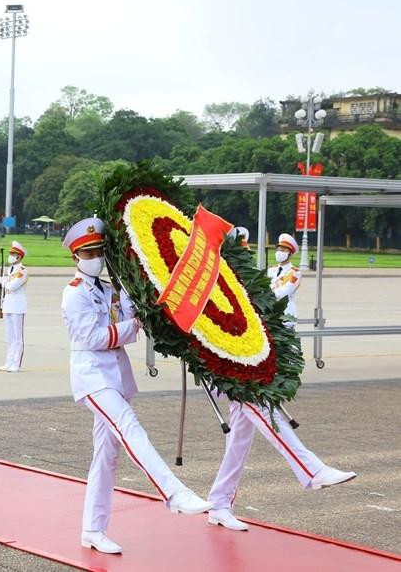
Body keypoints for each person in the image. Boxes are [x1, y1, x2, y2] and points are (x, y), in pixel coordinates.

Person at [61, 217, 210, 555]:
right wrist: (132, 326)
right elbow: (93, 337)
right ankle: (173, 492)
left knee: (106, 457)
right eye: (89, 252)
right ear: (76, 257)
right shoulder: (73, 295)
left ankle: (92, 530)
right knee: (130, 427)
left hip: (114, 376)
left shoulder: (111, 288)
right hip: (93, 377)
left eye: (99, 250)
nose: (96, 256)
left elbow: (135, 312)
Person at [206, 232, 356, 531]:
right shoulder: (216, 282)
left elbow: (266, 301)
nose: (244, 256)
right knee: (266, 414)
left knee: (238, 443)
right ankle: (311, 470)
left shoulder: (248, 278)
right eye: (238, 251)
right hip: (230, 372)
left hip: (249, 359)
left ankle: (220, 503)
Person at [0, 240, 28, 373]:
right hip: (8, 304)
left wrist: (4, 282)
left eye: (13, 254)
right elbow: (6, 287)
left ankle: (16, 363)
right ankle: (9, 362)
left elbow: (13, 286)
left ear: (19, 256)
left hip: (18, 305)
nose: (10, 256)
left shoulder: (22, 270)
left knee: (17, 337)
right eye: (10, 253)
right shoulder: (10, 270)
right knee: (9, 337)